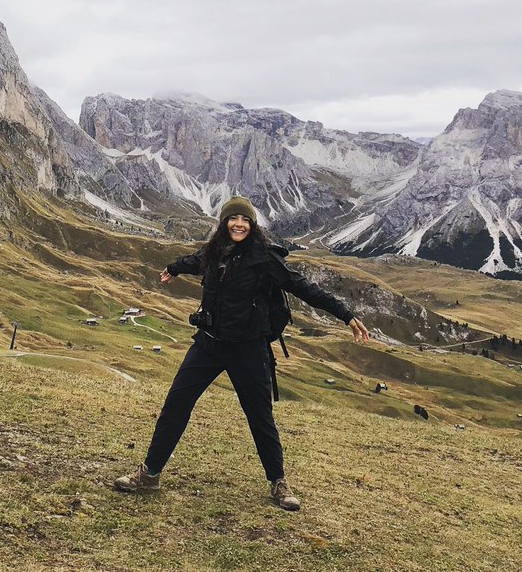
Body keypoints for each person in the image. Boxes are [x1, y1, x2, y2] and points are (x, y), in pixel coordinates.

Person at [114, 196, 369, 511]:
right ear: (224, 224)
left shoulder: (264, 260)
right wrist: (172, 268)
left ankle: (279, 483)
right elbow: (192, 261)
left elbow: (304, 288)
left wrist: (346, 315)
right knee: (176, 405)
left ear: (252, 225)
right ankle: (149, 475)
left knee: (260, 417)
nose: (238, 224)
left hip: (248, 349)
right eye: (233, 219)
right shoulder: (213, 253)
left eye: (244, 220)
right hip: (208, 344)